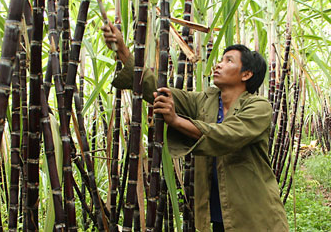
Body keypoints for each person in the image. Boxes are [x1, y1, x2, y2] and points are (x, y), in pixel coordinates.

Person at [102, 22, 289, 232]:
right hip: (219, 215)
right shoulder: (205, 101)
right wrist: (122, 50)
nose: (218, 65)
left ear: (246, 75)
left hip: (255, 212)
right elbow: (156, 88)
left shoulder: (258, 107)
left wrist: (176, 120)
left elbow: (226, 136)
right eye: (220, 59)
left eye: (229, 61)